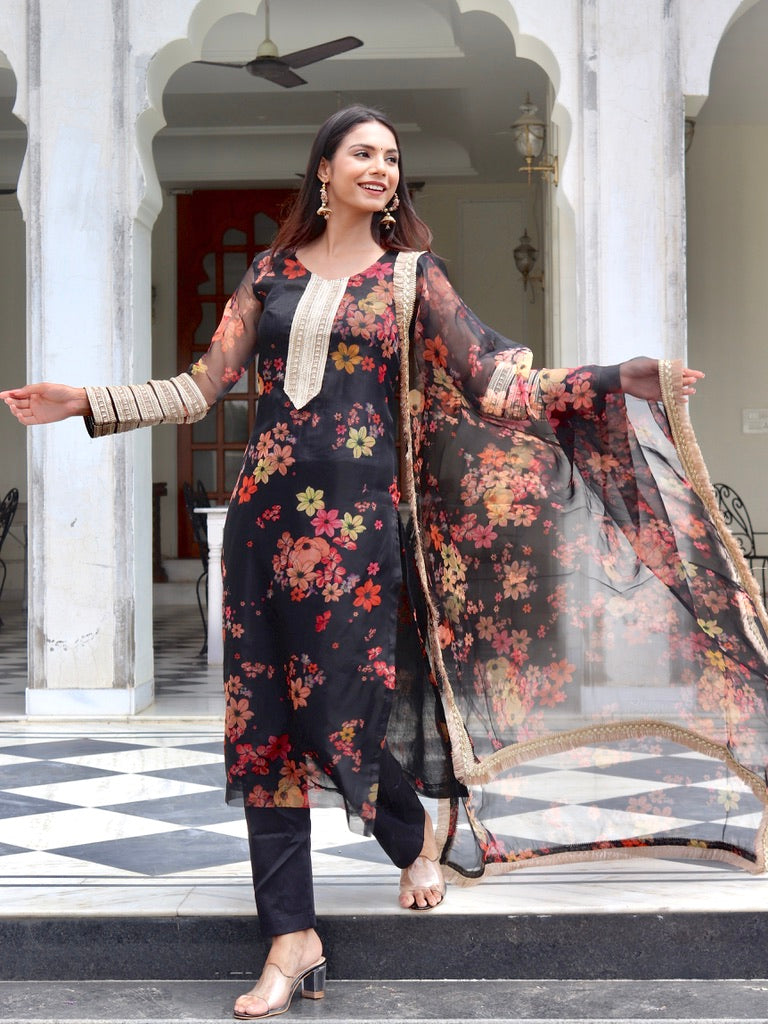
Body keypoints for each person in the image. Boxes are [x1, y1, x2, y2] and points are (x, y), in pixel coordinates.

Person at [5, 103, 767, 1023]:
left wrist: (612, 379)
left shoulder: (411, 278)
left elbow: (494, 380)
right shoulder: (270, 273)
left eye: (392, 157)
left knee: (341, 715)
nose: (381, 168)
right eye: (362, 153)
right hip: (261, 528)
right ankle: (291, 936)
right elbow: (202, 387)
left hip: (357, 535)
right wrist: (85, 400)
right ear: (323, 170)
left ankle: (411, 838)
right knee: (264, 733)